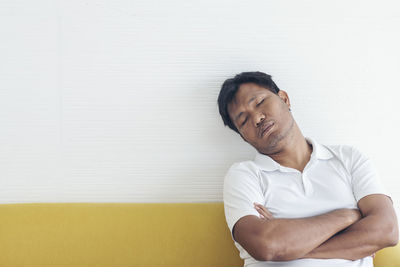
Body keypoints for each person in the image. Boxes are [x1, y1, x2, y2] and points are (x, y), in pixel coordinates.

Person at [217, 71, 399, 267]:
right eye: (244, 120)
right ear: (244, 137)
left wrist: (288, 246)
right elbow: (266, 246)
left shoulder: (349, 158)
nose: (257, 118)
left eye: (260, 102)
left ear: (284, 99)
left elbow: (387, 231)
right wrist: (348, 216)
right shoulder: (244, 175)